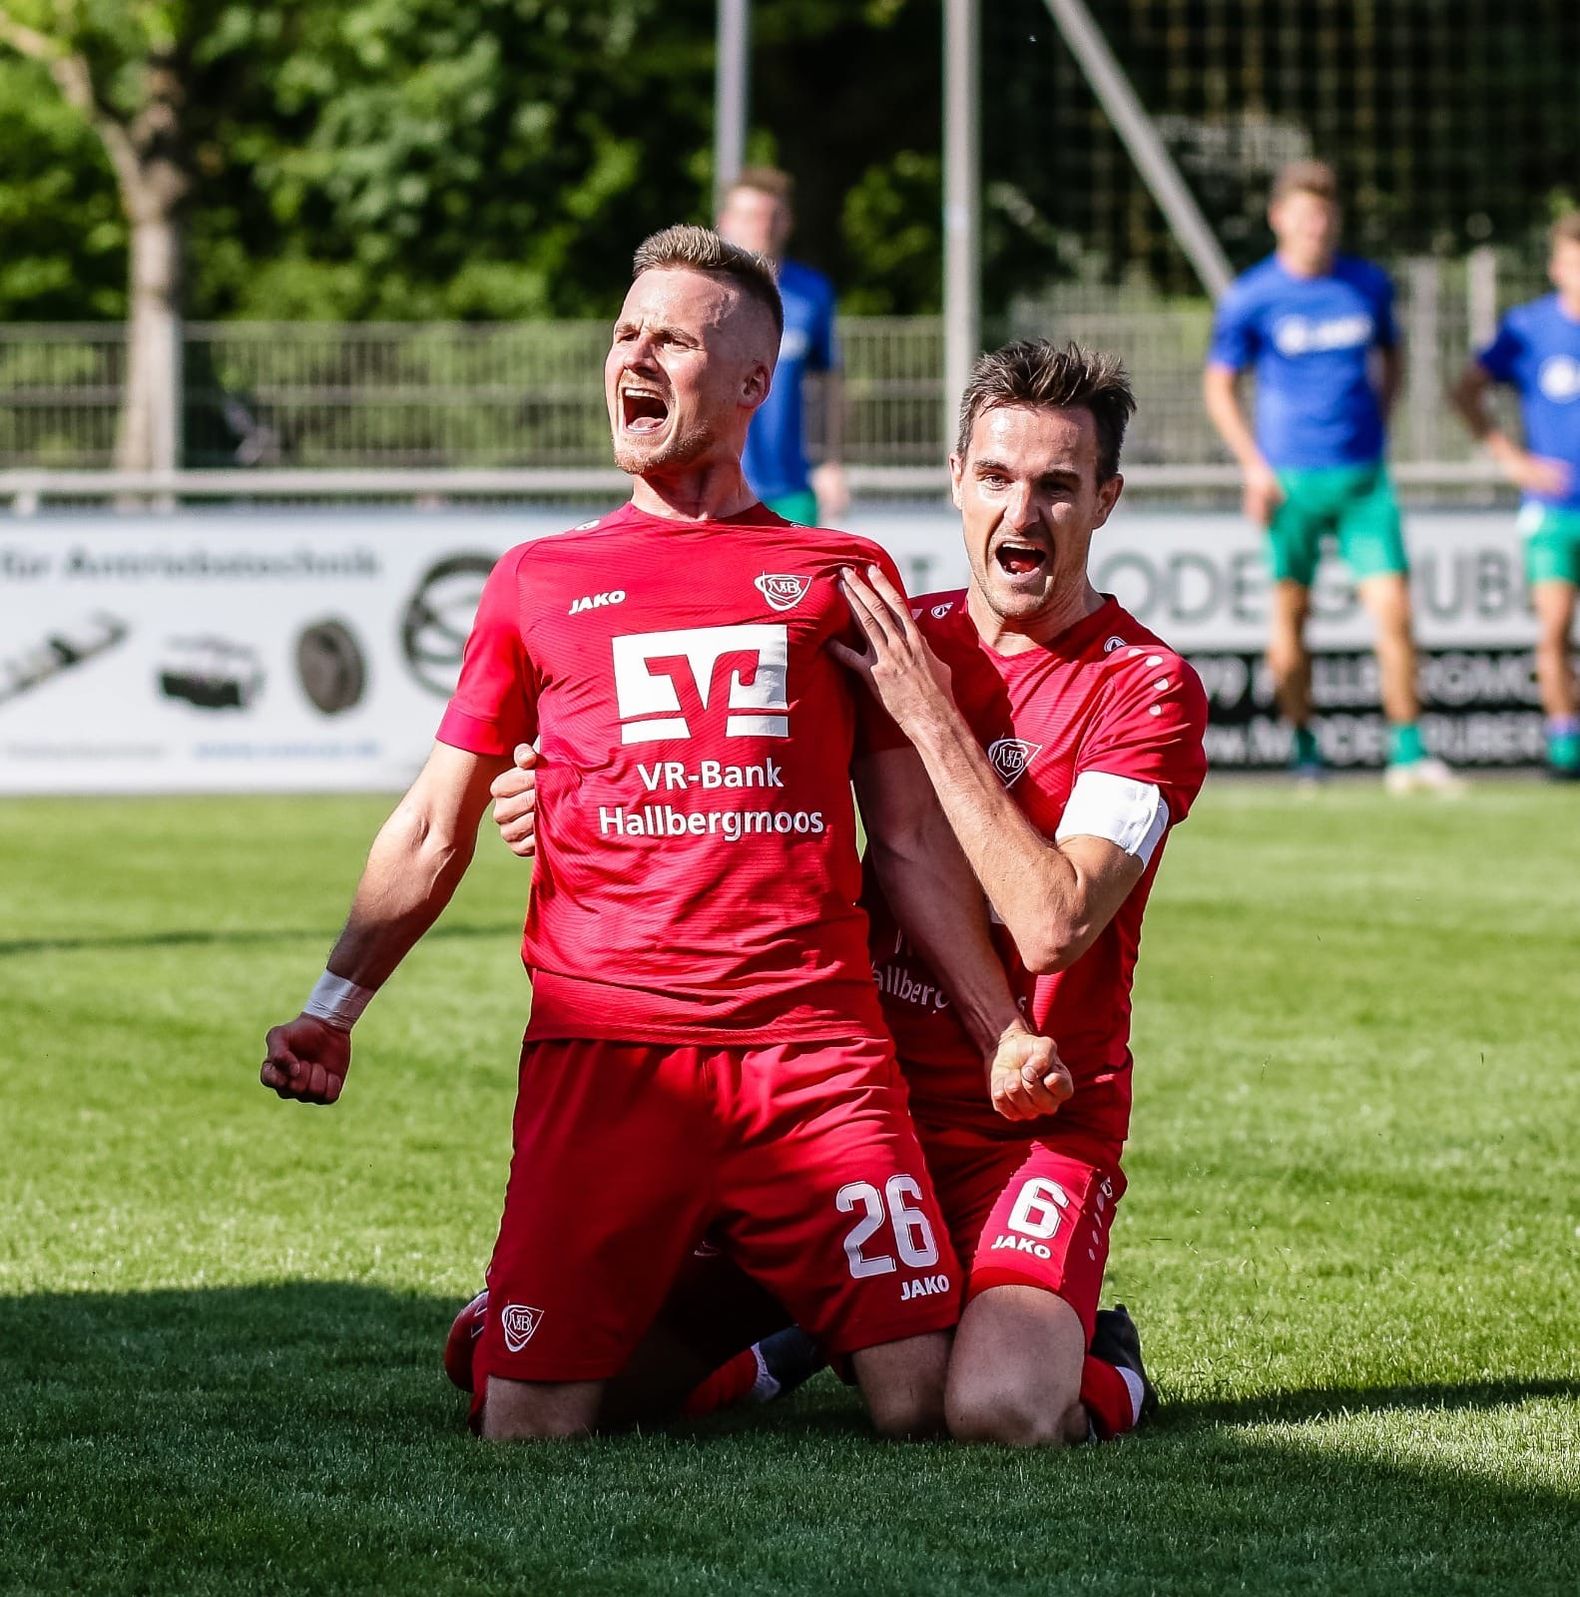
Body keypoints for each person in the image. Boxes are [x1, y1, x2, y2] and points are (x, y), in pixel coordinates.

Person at [260, 224, 1060, 1444]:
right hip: (606, 1061)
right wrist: (333, 1002)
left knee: (920, 1401)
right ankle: (762, 1327)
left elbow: (904, 843)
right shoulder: (535, 578)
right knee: (524, 1425)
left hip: (811, 1052)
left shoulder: (839, 571)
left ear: (749, 384)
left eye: (672, 340)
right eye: (624, 334)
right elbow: (435, 819)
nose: (634, 357)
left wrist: (1000, 1029)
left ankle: (891, 1319)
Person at [488, 341, 1209, 1448]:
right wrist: (559, 792)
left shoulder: (1143, 687)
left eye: (1059, 485)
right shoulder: (869, 631)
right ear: (957, 477)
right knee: (495, 1359)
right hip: (845, 1117)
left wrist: (928, 714)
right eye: (999, 477)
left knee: (998, 1410)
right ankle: (795, 1329)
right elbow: (709, 778)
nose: (1025, 510)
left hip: (1027, 1128)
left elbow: (1055, 919)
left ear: (1104, 498)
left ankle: (1104, 1359)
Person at [1203, 159, 1459, 792]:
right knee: (1291, 615)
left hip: (1364, 481)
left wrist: (1382, 417)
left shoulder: (1366, 285)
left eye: (1325, 214)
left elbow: (1392, 356)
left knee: (1394, 611)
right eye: (1304, 215)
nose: (1317, 226)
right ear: (1279, 220)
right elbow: (1219, 385)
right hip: (1289, 484)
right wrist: (1254, 467)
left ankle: (1407, 755)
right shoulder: (1252, 296)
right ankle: (1304, 748)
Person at [1451, 212, 1580, 780]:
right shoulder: (1530, 327)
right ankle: (1565, 747)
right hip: (1555, 512)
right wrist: (1514, 461)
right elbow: (1467, 391)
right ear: (1557, 266)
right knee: (1553, 630)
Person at [716, 167, 848, 526]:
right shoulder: (703, 295)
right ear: (724, 222)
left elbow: (829, 383)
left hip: (791, 486)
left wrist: (831, 462)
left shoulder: (811, 293)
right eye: (748, 216)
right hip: (715, 485)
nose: (759, 227)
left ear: (786, 222)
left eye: (769, 217)